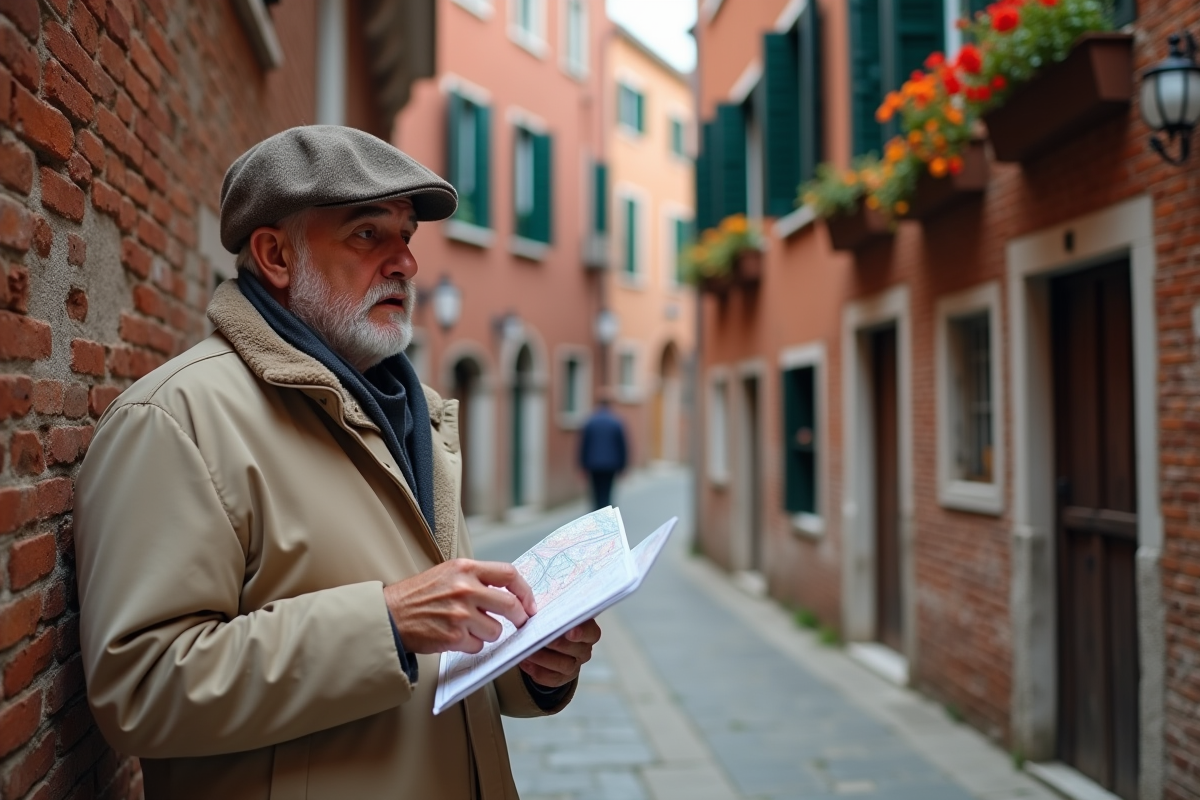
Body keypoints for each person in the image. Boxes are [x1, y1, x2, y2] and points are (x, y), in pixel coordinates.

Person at [74, 126, 600, 800]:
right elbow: (140, 687)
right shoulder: (174, 420)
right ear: (275, 255)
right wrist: (383, 623)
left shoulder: (415, 414)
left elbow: (437, 648)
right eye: (366, 234)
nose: (405, 262)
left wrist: (529, 668)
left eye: (407, 236)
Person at [578, 393, 628, 510]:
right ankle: (605, 511)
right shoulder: (616, 422)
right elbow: (622, 446)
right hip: (611, 464)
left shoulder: (590, 422)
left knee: (595, 490)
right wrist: (623, 466)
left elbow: (583, 445)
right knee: (607, 490)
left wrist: (582, 465)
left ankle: (597, 511)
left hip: (593, 463)